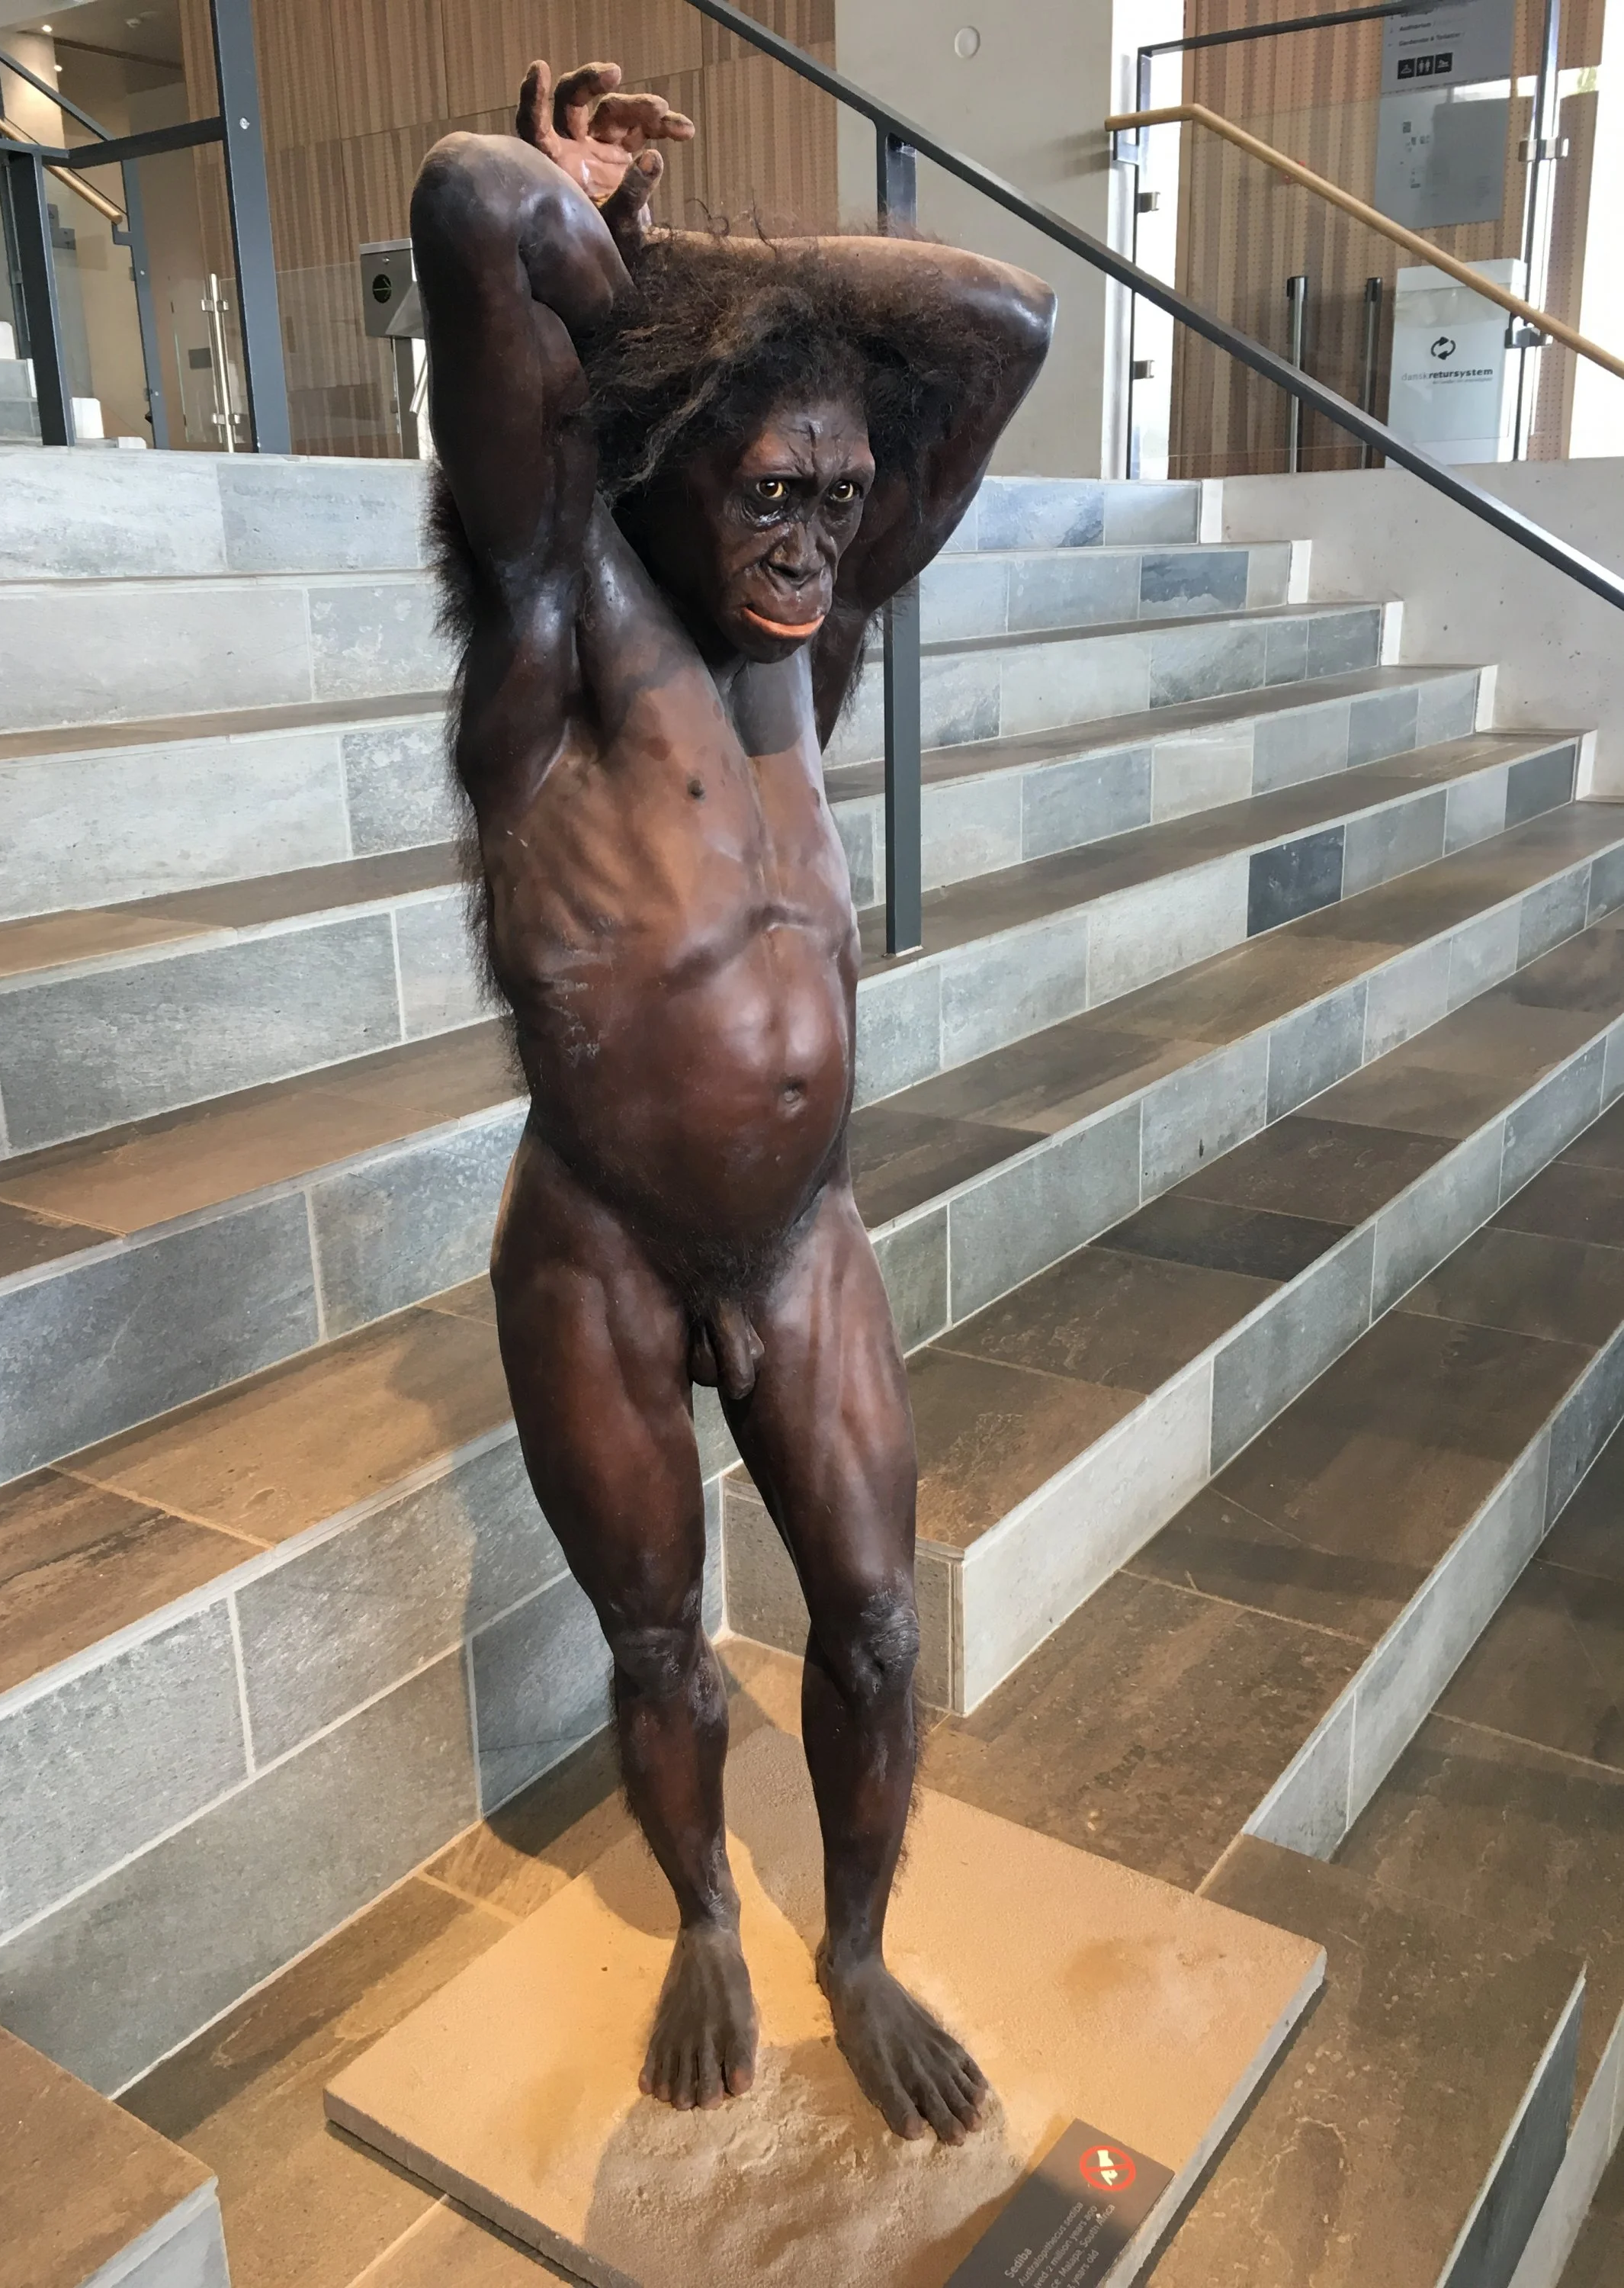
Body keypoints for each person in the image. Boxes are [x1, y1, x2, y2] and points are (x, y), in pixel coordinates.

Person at [410, 58, 1053, 2146]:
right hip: (599, 1242)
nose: (807, 541)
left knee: (875, 1626)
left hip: (801, 1232)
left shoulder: (811, 639)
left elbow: (1007, 322)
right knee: (661, 1639)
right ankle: (703, 1912)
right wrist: (633, 293)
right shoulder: (556, 628)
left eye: (838, 501)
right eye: (770, 491)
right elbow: (474, 196)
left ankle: (852, 1948)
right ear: (666, 462)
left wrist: (697, 283)